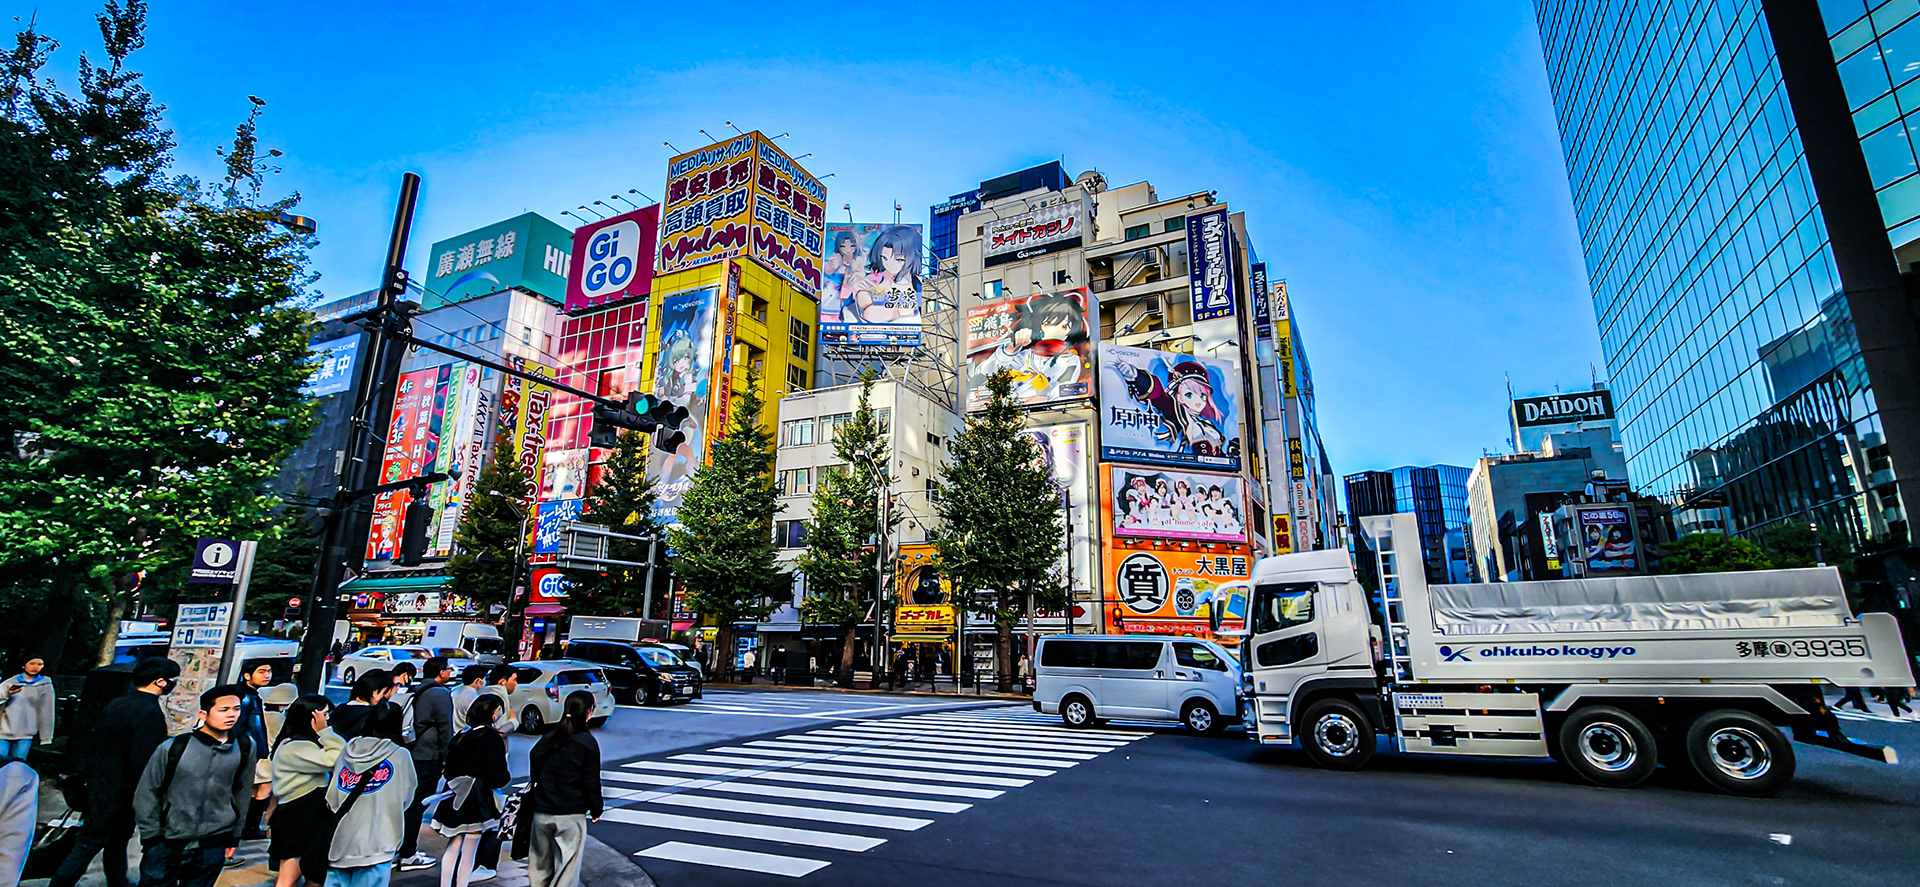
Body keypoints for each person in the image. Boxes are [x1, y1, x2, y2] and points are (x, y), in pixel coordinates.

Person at [49, 658, 178, 887]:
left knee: (113, 842)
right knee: (90, 844)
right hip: (123, 792)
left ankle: (118, 881)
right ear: (160, 682)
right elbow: (144, 761)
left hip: (100, 785)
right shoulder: (149, 713)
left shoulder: (117, 704)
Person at [131, 684, 260, 887]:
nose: (231, 715)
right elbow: (148, 791)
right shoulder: (174, 747)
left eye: (236, 709)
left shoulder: (244, 747)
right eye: (223, 710)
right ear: (204, 714)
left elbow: (242, 791)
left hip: (212, 842)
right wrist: (152, 837)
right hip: (167, 840)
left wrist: (235, 835)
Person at [320, 705, 416, 887]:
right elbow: (407, 796)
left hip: (340, 840)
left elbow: (332, 796)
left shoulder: (347, 751)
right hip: (379, 841)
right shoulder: (400, 755)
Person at [433, 696, 511, 887]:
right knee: (470, 849)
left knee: (453, 846)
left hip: (454, 795)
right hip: (478, 798)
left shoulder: (462, 735)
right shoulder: (492, 738)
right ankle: (462, 885)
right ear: (492, 713)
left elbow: (448, 769)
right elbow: (497, 774)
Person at [268, 695, 344, 887]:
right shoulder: (295, 746)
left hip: (306, 811)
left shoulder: (299, 743)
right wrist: (326, 733)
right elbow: (338, 758)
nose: (327, 720)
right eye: (324, 715)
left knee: (314, 873)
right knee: (290, 874)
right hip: (298, 814)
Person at [525, 696, 601, 887]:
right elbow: (590, 781)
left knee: (540, 867)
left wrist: (538, 784)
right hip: (571, 813)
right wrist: (596, 808)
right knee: (566, 869)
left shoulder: (550, 737)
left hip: (542, 810)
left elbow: (534, 758)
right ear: (588, 712)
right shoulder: (587, 742)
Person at [398, 658, 455, 872]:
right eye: (449, 669)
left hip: (410, 751)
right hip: (427, 755)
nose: (451, 672)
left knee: (407, 803)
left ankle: (401, 847)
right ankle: (408, 854)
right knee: (418, 804)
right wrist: (446, 758)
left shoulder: (416, 689)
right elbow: (445, 729)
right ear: (441, 672)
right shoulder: (439, 693)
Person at [236, 662, 276, 841]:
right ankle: (246, 829)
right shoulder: (245, 697)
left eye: (268, 671)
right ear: (247, 675)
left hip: (251, 751)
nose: (267, 675)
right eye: (261, 672)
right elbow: (242, 726)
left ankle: (246, 828)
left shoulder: (251, 695)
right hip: (245, 751)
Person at [0, 656, 54, 764]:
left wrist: (46, 737)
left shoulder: (45, 685)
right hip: (3, 731)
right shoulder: (10, 682)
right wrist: (7, 693)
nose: (35, 667)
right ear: (24, 665)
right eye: (32, 663)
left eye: (39, 664)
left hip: (25, 733)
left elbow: (47, 711)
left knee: (18, 765)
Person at [332, 670, 395, 741]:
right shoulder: (371, 715)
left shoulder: (340, 708)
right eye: (383, 692)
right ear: (375, 692)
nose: (382, 697)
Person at [479, 666, 519, 735]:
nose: (516, 684)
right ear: (502, 682)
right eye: (514, 680)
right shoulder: (499, 699)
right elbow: (500, 730)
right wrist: (514, 721)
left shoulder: (483, 693)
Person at [449, 667, 488, 731]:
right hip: (465, 732)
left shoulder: (454, 690)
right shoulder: (473, 696)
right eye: (484, 679)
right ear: (477, 681)